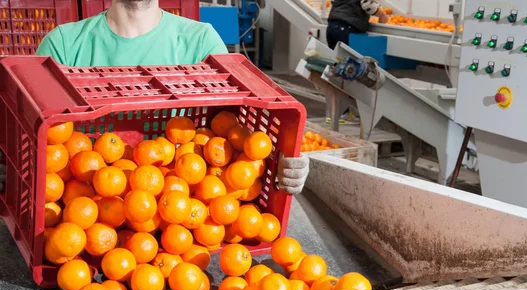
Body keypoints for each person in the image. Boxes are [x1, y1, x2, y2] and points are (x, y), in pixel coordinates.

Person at [0, 0, 309, 195]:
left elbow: (241, 139)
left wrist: (279, 162)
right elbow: (33, 142)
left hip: (183, 214)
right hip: (85, 206)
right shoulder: (63, 46)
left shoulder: (201, 43)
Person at [324, 0, 389, 125]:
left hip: (332, 26)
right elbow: (367, 4)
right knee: (348, 71)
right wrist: (382, 15)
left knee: (336, 69)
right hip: (346, 28)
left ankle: (332, 113)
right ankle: (341, 113)